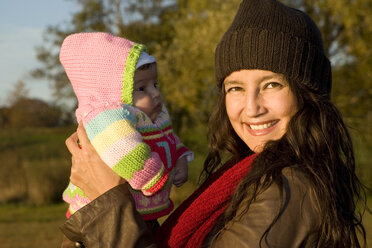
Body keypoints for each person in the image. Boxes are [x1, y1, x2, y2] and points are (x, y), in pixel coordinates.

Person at [60, 0, 368, 247]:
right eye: (235, 87)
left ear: (308, 94)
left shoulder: (291, 188)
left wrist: (107, 204)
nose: (252, 107)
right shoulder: (242, 174)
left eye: (272, 85)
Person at [59, 32, 193, 240]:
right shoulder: (107, 117)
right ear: (112, 91)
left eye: (155, 85)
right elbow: (125, 150)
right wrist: (150, 177)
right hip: (98, 220)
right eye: (142, 88)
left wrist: (181, 158)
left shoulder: (152, 115)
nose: (155, 93)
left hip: (133, 217)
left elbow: (169, 140)